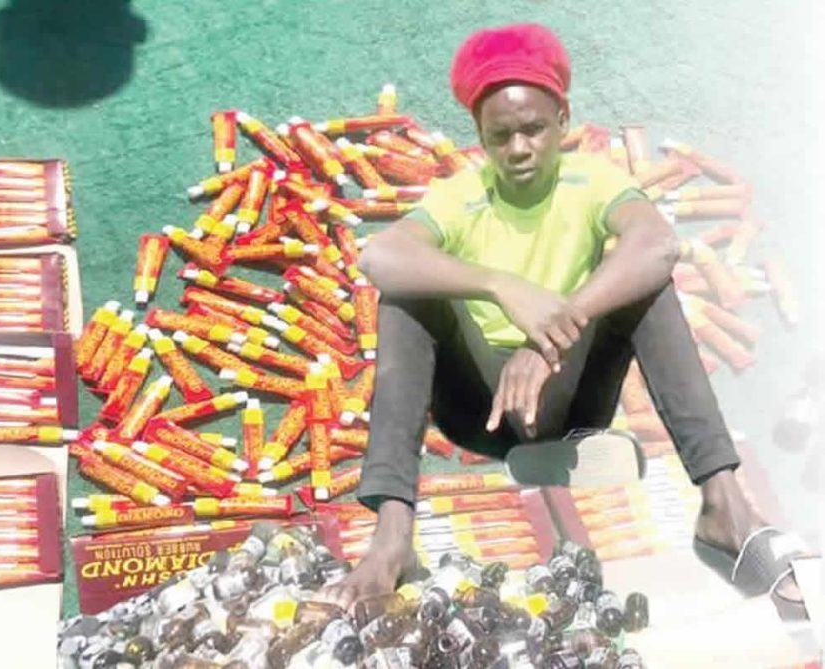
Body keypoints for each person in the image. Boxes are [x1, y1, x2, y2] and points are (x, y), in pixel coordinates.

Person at [318, 23, 807, 615]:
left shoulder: (593, 181)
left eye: (533, 129)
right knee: (404, 296)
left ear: (562, 121)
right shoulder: (461, 196)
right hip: (480, 408)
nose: (519, 149)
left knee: (648, 282)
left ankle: (724, 506)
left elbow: (657, 245)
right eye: (500, 137)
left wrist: (553, 331)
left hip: (573, 396)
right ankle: (392, 538)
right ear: (481, 137)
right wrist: (499, 286)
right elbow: (379, 257)